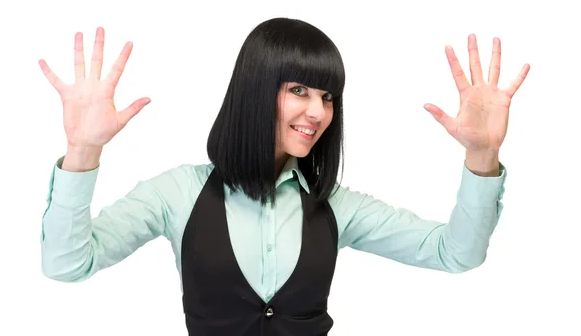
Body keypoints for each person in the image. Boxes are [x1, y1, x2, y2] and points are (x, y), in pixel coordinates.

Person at [39, 18, 530, 335]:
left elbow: (457, 253)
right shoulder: (177, 194)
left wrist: (482, 157)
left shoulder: (336, 206)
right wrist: (82, 150)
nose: (317, 111)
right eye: (299, 89)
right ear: (256, 90)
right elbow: (67, 264)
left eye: (328, 96)